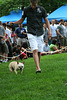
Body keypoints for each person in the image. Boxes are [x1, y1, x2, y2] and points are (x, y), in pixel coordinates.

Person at [10, 0, 52, 73]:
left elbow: (46, 20)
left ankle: (37, 66)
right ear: (30, 2)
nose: (34, 4)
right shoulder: (26, 10)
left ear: (37, 2)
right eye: (33, 3)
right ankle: (38, 68)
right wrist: (14, 23)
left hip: (40, 32)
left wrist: (50, 31)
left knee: (39, 51)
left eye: (35, 3)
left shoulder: (42, 9)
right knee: (34, 50)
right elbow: (21, 20)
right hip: (31, 32)